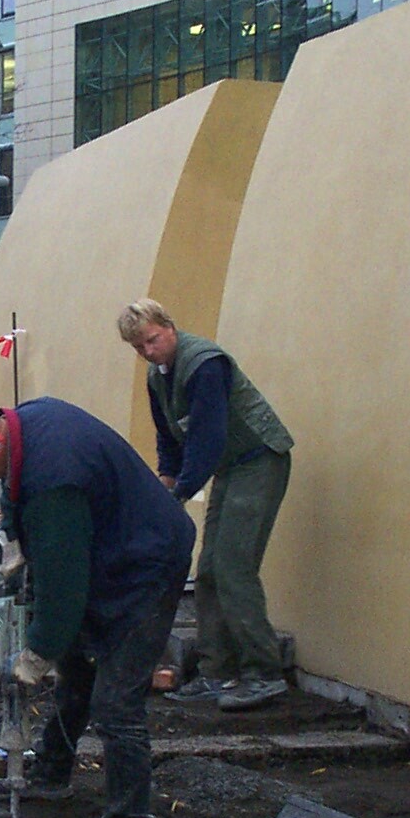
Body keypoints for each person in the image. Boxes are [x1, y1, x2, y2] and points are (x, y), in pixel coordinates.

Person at [0, 400, 194, 818]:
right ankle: (51, 775)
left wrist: (37, 652)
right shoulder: (21, 426)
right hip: (113, 547)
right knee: (76, 668)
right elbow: (14, 491)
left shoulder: (54, 478)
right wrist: (14, 541)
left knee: (116, 704)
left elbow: (63, 582)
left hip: (149, 562)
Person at [119, 297, 294, 712]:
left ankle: (264, 673)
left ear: (169, 326)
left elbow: (207, 437)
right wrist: (166, 480)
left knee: (234, 566)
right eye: (139, 347)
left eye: (152, 340)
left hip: (259, 459)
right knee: (210, 570)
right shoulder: (157, 374)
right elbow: (168, 435)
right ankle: (217, 671)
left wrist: (178, 495)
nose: (148, 351)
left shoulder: (204, 364)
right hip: (230, 466)